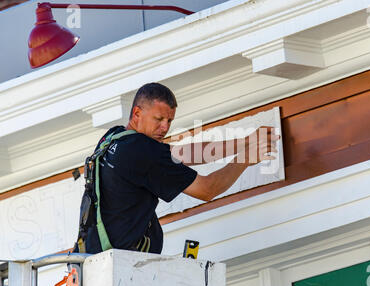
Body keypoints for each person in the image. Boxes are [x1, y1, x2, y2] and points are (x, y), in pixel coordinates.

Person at [81, 82, 279, 254]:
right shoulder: (143, 151)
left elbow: (182, 154)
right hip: (123, 263)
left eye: (169, 121)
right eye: (159, 119)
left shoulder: (114, 138)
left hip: (92, 257)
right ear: (137, 113)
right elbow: (207, 189)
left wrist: (245, 141)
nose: (165, 127)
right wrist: (244, 159)